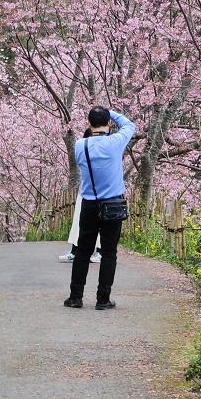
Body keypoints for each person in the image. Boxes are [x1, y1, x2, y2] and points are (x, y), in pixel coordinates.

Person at [64, 105, 135, 311]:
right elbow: (129, 125)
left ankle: (75, 297)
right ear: (109, 123)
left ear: (89, 123)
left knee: (83, 251)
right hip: (113, 204)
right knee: (109, 252)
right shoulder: (115, 142)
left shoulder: (80, 145)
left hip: (89, 204)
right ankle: (103, 299)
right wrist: (109, 112)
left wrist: (97, 117)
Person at [59, 192, 101, 263]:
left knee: (101, 219)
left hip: (104, 191)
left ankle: (100, 252)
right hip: (86, 190)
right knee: (78, 219)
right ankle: (74, 251)